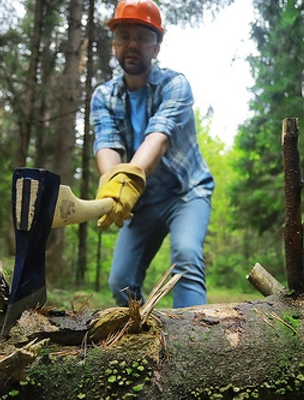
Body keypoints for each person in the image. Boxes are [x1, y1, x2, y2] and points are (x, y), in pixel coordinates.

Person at [91, 0, 214, 308]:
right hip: (143, 201)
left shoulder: (175, 84)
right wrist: (113, 183)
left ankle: (193, 342)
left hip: (186, 193)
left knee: (186, 255)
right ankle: (143, 335)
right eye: (124, 35)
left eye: (143, 37)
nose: (132, 44)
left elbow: (159, 137)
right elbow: (107, 143)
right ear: (114, 44)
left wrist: (128, 178)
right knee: (120, 282)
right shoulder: (103, 96)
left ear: (157, 47)